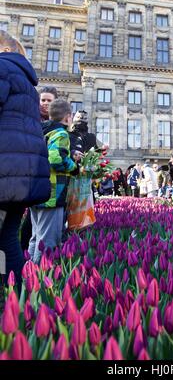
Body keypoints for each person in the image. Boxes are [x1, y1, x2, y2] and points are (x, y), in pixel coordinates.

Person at [0, 30, 51, 287]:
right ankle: (17, 299)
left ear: (5, 50)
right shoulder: (28, 85)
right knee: (7, 238)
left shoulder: (1, 67)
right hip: (22, 176)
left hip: (4, 171)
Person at [29, 99, 80, 264]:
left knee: (36, 237)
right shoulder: (61, 133)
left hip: (36, 190)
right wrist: (73, 167)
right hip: (52, 194)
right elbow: (55, 159)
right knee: (48, 241)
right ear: (67, 117)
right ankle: (40, 277)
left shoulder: (42, 131)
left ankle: (28, 272)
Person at [21, 85, 58, 251]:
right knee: (29, 221)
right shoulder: (30, 119)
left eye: (49, 100)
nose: (45, 103)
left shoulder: (57, 126)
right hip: (28, 174)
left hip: (47, 179)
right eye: (42, 100)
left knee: (36, 222)